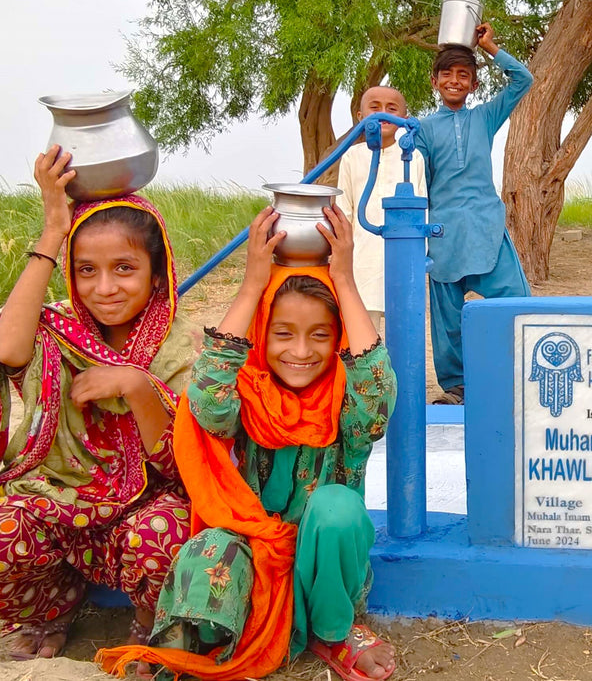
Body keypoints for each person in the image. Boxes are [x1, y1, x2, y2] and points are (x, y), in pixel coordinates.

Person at [97, 205, 397, 680]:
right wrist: (253, 282)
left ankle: (336, 632)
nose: (301, 352)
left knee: (336, 507)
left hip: (325, 570)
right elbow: (208, 395)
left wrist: (344, 279)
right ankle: (188, 648)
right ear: (262, 335)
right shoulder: (247, 395)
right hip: (254, 557)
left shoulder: (348, 406)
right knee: (210, 544)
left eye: (320, 335)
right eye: (283, 334)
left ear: (337, 338)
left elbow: (377, 391)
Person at [0, 145, 200, 662]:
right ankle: (50, 606)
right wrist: (52, 229)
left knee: (167, 537)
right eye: (86, 270)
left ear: (158, 274)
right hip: (61, 501)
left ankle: (146, 620)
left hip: (140, 513)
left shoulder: (176, 347)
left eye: (125, 268)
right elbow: (7, 350)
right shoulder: (58, 329)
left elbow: (182, 467)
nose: (104, 288)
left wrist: (136, 385)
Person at [415, 22, 533, 404]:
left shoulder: (485, 117)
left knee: (515, 302)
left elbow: (523, 80)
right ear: (434, 82)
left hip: (486, 226)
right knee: (448, 318)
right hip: (444, 232)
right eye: (447, 74)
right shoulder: (422, 129)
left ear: (474, 85)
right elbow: (413, 175)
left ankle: (522, 373)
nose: (455, 81)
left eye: (463, 75)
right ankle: (457, 387)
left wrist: (489, 48)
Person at [337, 85, 427, 336]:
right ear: (360, 116)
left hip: (403, 253)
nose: (383, 114)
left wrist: (420, 254)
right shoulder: (352, 156)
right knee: (363, 329)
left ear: (404, 120)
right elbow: (345, 210)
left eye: (391, 109)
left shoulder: (412, 157)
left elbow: (422, 209)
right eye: (374, 108)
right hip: (362, 256)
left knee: (403, 328)